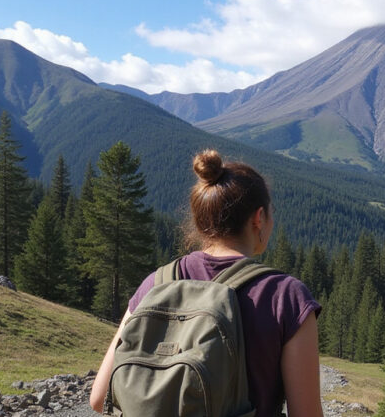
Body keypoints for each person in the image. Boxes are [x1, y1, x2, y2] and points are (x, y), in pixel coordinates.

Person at [90, 149, 324, 417]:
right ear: (258, 218)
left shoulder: (155, 283)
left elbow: (99, 398)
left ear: (201, 218)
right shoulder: (286, 296)